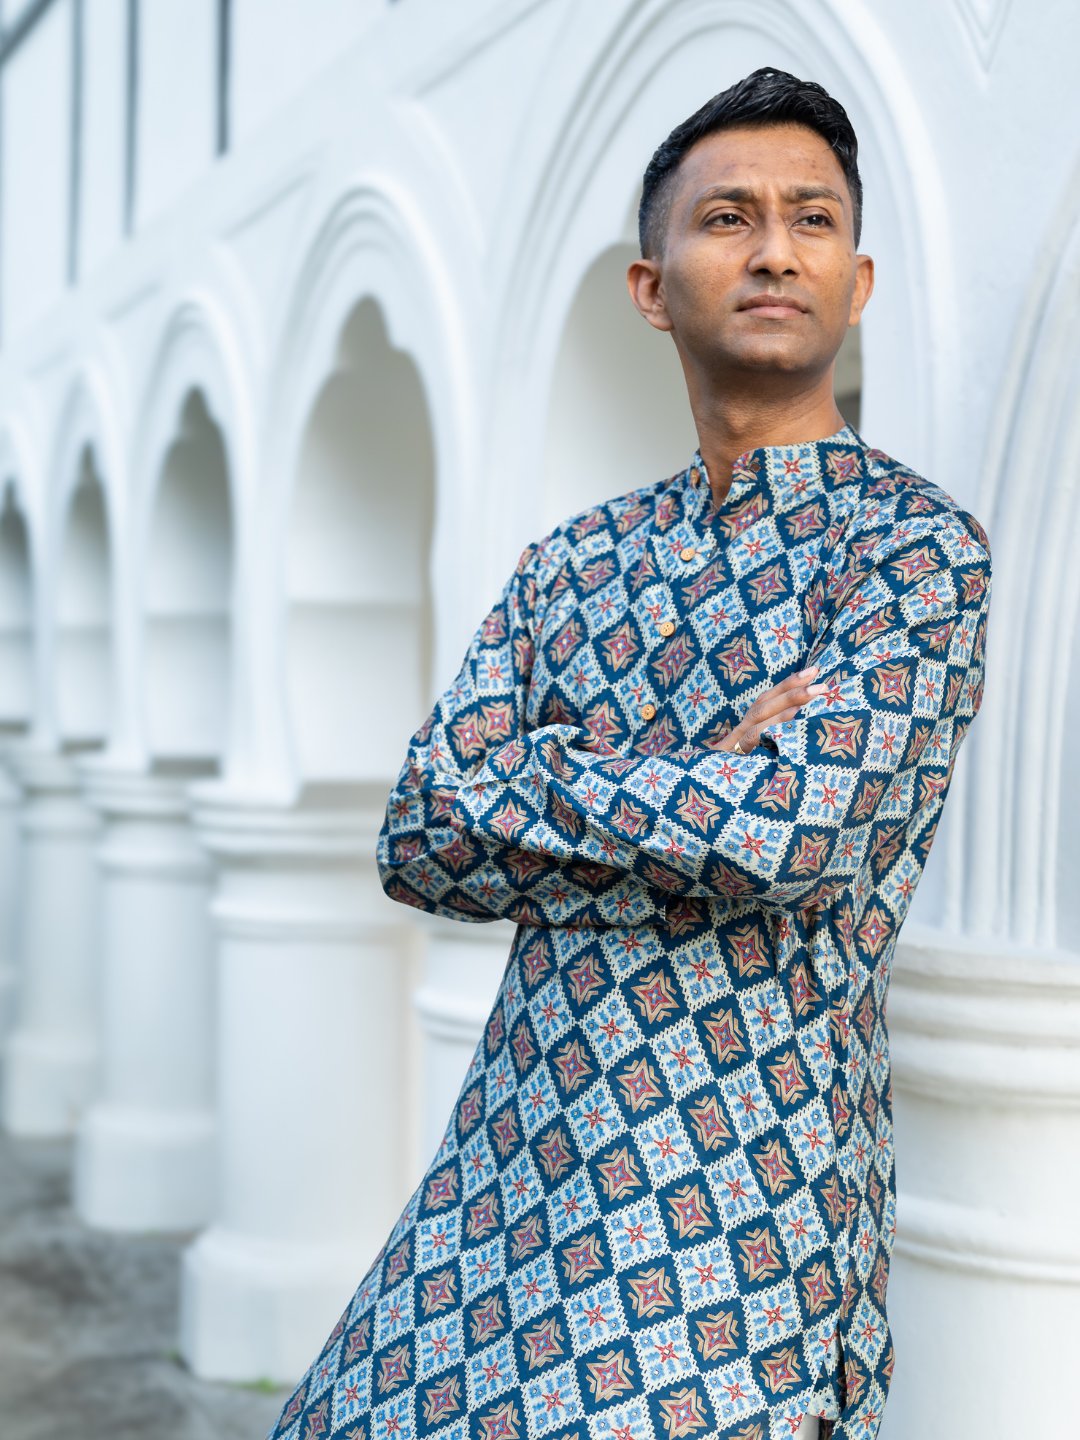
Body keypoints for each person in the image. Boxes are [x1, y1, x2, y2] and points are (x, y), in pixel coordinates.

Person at [269, 68, 990, 1440]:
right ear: (652, 288)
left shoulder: (912, 551)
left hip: (735, 1223)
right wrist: (704, 772)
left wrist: (547, 775)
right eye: (728, 217)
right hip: (499, 1191)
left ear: (857, 284)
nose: (774, 249)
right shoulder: (574, 562)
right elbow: (420, 831)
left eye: (813, 219)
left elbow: (788, 837)